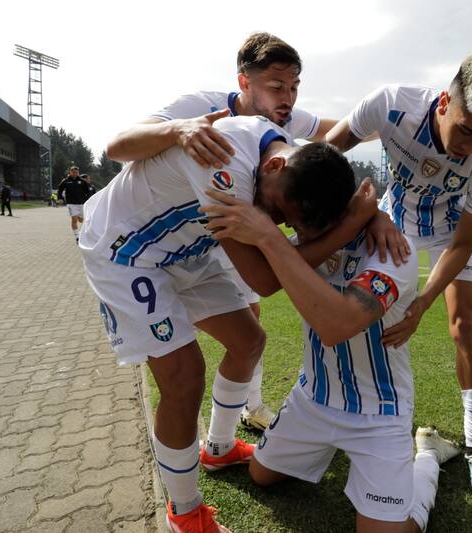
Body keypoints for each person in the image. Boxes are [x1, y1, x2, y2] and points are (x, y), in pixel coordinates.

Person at [80, 114, 376, 532]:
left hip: (185, 249)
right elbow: (266, 278)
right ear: (275, 167)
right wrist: (349, 227)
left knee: (248, 340)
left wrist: (371, 216)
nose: (273, 222)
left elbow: (326, 200)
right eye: (276, 210)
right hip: (127, 251)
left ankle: (217, 448)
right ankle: (183, 514)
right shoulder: (227, 163)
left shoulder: (291, 156)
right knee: (184, 376)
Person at [106, 31, 405, 432]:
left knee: (250, 331)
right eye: (277, 86)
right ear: (244, 83)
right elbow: (116, 146)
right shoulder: (203, 112)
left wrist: (374, 212)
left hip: (203, 238)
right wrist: (177, 131)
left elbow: (326, 158)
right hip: (145, 236)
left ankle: (232, 430)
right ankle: (223, 436)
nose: (289, 98)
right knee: (187, 367)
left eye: (295, 87)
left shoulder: (281, 124)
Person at [326, 44, 472, 502]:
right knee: (353, 309)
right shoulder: (391, 104)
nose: (471, 147)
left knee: (463, 325)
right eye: (467, 130)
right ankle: (347, 415)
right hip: (392, 219)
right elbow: (325, 155)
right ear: (442, 102)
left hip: (449, 232)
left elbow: (464, 243)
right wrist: (367, 210)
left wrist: (421, 304)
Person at [206, 189, 461, 532]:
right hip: (313, 399)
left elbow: (335, 327)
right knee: (261, 476)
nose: (290, 230)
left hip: (378, 411)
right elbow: (263, 277)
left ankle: (428, 456)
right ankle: (323, 449)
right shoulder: (303, 245)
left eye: (293, 222)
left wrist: (270, 236)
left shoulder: (392, 252)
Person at [56, 166, 90, 242]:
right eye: (73, 172)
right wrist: (60, 198)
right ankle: (77, 236)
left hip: (81, 203)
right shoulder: (66, 181)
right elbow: (60, 190)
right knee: (74, 219)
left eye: (76, 172)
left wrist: (89, 200)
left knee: (82, 220)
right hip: (71, 203)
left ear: (78, 173)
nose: (75, 174)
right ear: (70, 172)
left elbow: (88, 191)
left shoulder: (82, 181)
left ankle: (78, 218)